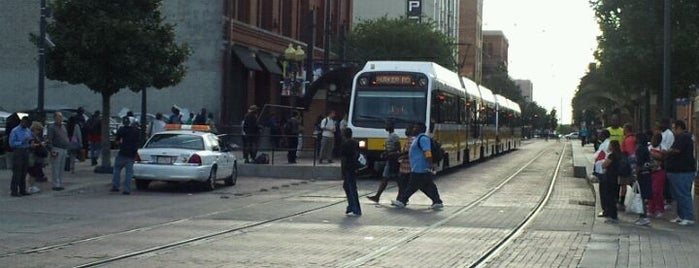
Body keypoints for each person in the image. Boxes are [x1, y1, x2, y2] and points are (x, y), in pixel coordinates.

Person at [391, 123, 443, 209]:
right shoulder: (417, 138)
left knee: (412, 185)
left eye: (415, 128)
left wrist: (430, 164)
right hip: (418, 167)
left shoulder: (423, 138)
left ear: (420, 129)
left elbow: (427, 152)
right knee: (426, 185)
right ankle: (437, 201)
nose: (413, 129)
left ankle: (402, 201)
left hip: (421, 167)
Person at [664, 120, 695, 226]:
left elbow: (676, 151)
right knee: (678, 195)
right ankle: (681, 216)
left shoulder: (684, 137)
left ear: (679, 128)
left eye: (674, 128)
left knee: (683, 194)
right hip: (675, 171)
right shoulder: (679, 138)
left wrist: (666, 152)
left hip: (683, 172)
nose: (673, 131)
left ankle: (688, 216)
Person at [367, 119, 401, 203]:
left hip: (392, 160)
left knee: (396, 179)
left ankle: (402, 197)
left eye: (387, 124)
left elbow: (398, 149)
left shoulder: (394, 136)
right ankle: (377, 196)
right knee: (386, 179)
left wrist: (389, 154)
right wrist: (385, 153)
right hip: (389, 160)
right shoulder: (390, 135)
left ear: (391, 126)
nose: (385, 126)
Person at [111, 117, 141, 195]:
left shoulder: (121, 129)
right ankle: (127, 189)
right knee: (129, 173)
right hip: (131, 154)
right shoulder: (136, 131)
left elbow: (116, 141)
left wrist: (119, 143)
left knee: (117, 170)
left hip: (122, 153)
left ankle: (115, 186)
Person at [8, 116, 33, 197]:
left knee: (24, 171)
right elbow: (12, 143)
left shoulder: (28, 130)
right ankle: (14, 190)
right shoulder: (15, 131)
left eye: (27, 123)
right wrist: (22, 141)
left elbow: (29, 140)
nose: (25, 124)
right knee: (17, 172)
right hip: (18, 151)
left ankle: (22, 189)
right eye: (24, 123)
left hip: (26, 150)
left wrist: (30, 142)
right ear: (22, 122)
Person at [340, 127, 361, 217]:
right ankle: (351, 207)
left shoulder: (345, 145)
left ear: (344, 135)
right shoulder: (356, 143)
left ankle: (355, 209)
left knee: (351, 188)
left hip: (348, 168)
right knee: (348, 187)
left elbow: (343, 158)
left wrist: (342, 171)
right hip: (354, 167)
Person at [47, 112, 71, 191]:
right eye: (58, 117)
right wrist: (51, 149)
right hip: (56, 148)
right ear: (55, 118)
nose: (60, 119)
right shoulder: (52, 127)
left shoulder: (63, 127)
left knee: (61, 167)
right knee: (56, 167)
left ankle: (60, 182)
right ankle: (55, 183)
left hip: (64, 148)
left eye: (61, 117)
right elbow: (49, 139)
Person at [600, 140, 622, 224]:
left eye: (609, 145)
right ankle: (613, 214)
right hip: (615, 178)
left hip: (609, 178)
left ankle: (612, 216)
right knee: (613, 197)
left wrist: (603, 162)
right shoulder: (619, 155)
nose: (608, 146)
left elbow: (604, 165)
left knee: (609, 197)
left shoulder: (612, 156)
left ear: (612, 146)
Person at [633, 133, 652, 226]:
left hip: (641, 175)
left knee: (640, 196)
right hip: (647, 174)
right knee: (643, 196)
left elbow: (638, 164)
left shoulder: (639, 149)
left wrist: (635, 174)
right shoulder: (646, 149)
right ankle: (644, 215)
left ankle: (643, 216)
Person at [618, 123, 636, 211]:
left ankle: (622, 203)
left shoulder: (628, 139)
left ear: (627, 129)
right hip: (630, 165)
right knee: (632, 184)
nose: (623, 131)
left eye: (624, 129)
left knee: (624, 185)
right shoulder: (633, 138)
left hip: (626, 165)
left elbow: (629, 152)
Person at [647, 133, 666, 218]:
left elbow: (662, 157)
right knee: (650, 191)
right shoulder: (649, 147)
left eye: (656, 140)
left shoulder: (662, 148)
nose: (654, 142)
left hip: (659, 171)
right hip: (650, 171)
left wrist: (652, 154)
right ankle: (651, 209)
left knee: (657, 191)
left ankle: (660, 209)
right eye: (653, 140)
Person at [592, 129, 610, 216]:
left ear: (603, 136)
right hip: (605, 170)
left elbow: (599, 157)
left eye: (600, 134)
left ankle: (605, 210)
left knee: (603, 191)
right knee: (606, 191)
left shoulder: (605, 145)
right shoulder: (606, 143)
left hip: (603, 171)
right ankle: (606, 209)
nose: (599, 136)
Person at [27, 121, 47, 194]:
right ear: (35, 129)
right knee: (33, 173)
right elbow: (32, 145)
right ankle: (31, 187)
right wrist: (40, 144)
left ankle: (31, 186)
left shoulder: (33, 135)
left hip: (34, 156)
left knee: (33, 173)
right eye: (38, 130)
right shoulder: (31, 136)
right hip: (32, 157)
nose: (39, 132)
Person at [658, 118, 675, 210]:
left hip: (666, 158)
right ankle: (664, 197)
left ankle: (669, 199)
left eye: (662, 123)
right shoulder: (661, 133)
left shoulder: (669, 134)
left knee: (666, 180)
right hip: (660, 157)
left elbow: (667, 146)